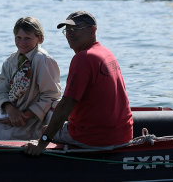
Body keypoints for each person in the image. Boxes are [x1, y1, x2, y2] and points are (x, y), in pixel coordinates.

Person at [24, 11, 133, 155]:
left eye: (75, 29)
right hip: (123, 134)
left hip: (96, 138)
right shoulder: (106, 53)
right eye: (67, 30)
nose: (70, 34)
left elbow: (65, 106)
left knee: (43, 130)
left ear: (92, 30)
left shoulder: (83, 59)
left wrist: (42, 142)